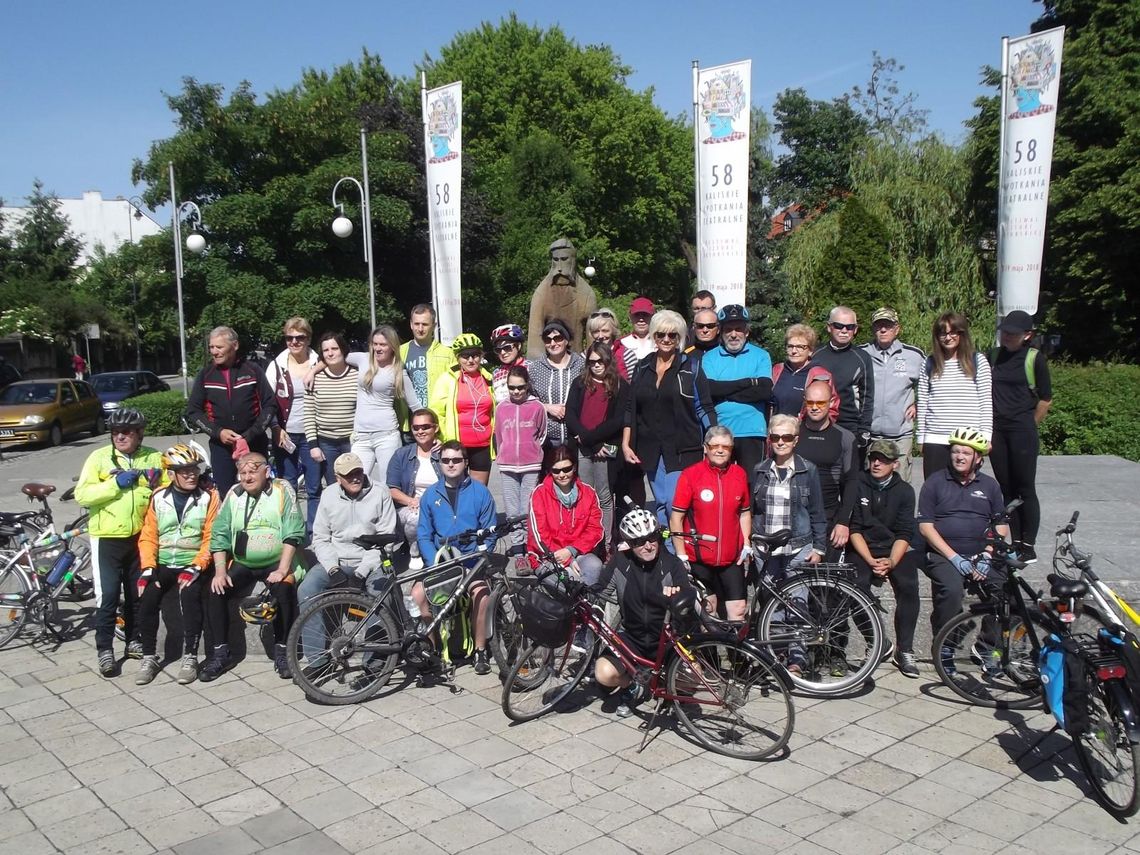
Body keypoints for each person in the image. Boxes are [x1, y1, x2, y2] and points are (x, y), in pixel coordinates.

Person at [75, 407, 167, 677]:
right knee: (108, 596)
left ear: (139, 433)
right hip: (108, 538)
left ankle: (133, 640)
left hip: (140, 537)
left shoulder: (152, 456)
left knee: (137, 594)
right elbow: (83, 495)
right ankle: (105, 650)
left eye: (126, 432)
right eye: (115, 432)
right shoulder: (99, 458)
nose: (120, 436)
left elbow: (166, 487)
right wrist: (115, 485)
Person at [202, 452, 305, 682]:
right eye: (243, 473)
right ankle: (220, 652)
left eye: (252, 472)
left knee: (284, 590)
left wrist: (282, 569)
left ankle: (283, 651)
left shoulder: (282, 489)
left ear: (266, 472)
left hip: (277, 560)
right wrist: (220, 571)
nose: (247, 478)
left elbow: (293, 531)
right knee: (215, 589)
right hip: (243, 561)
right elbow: (219, 534)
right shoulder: (234, 494)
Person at [297, 452, 398, 667]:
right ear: (337, 477)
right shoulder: (329, 495)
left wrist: (361, 572)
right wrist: (333, 569)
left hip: (372, 560)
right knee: (306, 590)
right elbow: (321, 538)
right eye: (348, 474)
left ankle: (375, 661)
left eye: (358, 472)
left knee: (381, 594)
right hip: (337, 559)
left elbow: (385, 541)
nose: (355, 478)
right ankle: (317, 662)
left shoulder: (381, 493)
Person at [592, 508, 695, 716]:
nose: (648, 546)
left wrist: (677, 596)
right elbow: (599, 590)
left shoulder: (672, 564)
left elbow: (688, 594)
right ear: (629, 544)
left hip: (667, 640)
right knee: (604, 673)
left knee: (692, 679)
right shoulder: (621, 562)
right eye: (639, 542)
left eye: (652, 538)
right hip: (633, 637)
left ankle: (665, 685)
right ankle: (634, 686)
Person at [135, 443, 219, 686]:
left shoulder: (208, 497)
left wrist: (198, 565)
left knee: (190, 594)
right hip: (163, 562)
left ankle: (190, 656)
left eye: (194, 469)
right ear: (171, 474)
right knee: (147, 595)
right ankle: (149, 657)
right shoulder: (158, 497)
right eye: (184, 471)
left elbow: (211, 536)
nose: (192, 474)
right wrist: (148, 568)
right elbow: (149, 535)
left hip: (193, 562)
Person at [751, 414, 827, 675]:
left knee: (797, 603)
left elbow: (817, 511)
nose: (780, 442)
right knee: (770, 602)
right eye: (775, 437)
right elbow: (751, 511)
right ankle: (775, 652)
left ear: (796, 440)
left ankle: (797, 655)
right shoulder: (760, 470)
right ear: (769, 439)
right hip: (766, 548)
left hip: (798, 546)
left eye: (786, 437)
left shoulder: (808, 470)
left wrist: (819, 547)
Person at [416, 441, 498, 674]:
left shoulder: (481, 492)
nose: (451, 464)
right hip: (441, 563)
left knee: (481, 595)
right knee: (418, 595)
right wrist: (436, 562)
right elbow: (423, 535)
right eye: (446, 460)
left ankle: (480, 651)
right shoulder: (430, 495)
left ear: (465, 462)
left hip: (471, 563)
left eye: (456, 460)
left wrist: (477, 558)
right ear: (440, 463)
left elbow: (489, 534)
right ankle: (431, 651)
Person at [918, 427, 1009, 636]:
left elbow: (1001, 524)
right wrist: (955, 557)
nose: (959, 457)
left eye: (966, 453)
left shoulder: (990, 485)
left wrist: (987, 553)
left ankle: (988, 645)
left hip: (981, 551)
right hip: (944, 553)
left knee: (1004, 591)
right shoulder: (935, 482)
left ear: (978, 458)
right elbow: (925, 527)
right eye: (955, 451)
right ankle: (945, 644)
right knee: (951, 591)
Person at [623, 310, 705, 530]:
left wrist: (712, 439)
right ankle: (667, 552)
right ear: (653, 336)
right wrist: (626, 442)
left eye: (672, 335)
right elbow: (631, 407)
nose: (666, 340)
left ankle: (682, 552)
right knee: (660, 503)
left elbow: (703, 406)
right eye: (661, 335)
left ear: (680, 338)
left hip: (683, 446)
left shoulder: (691, 367)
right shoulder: (641, 367)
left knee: (674, 503)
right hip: (649, 446)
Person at [847, 439, 921, 678]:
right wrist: (870, 560)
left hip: (894, 548)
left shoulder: (905, 491)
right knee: (855, 586)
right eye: (874, 458)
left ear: (895, 464)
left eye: (884, 460)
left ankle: (905, 649)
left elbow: (905, 532)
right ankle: (877, 640)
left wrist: (891, 561)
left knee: (909, 586)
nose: (877, 463)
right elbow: (854, 527)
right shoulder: (858, 483)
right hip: (863, 547)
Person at [989, 310, 1052, 562]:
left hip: (1022, 428)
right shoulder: (993, 356)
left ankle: (1028, 544)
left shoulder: (1034, 358)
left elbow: (1046, 399)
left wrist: (1030, 424)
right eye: (1005, 331)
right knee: (1006, 488)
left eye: (1013, 333)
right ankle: (1013, 541)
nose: (1007, 336)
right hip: (997, 429)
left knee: (1025, 487)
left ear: (1027, 335)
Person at [670, 426, 751, 622]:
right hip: (699, 557)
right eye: (715, 446)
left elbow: (745, 513)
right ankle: (710, 654)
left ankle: (736, 654)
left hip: (731, 558)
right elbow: (676, 518)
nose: (720, 450)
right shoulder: (691, 475)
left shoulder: (739, 474)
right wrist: (681, 554)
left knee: (739, 610)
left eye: (726, 446)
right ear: (705, 448)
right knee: (709, 609)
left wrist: (747, 544)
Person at [187, 326, 275, 498]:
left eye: (219, 347)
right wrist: (218, 432)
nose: (214, 352)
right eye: (211, 347)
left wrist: (250, 434)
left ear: (234, 346)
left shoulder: (253, 370)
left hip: (254, 442)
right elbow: (193, 411)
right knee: (227, 495)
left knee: (259, 492)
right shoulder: (206, 374)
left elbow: (270, 405)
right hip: (221, 446)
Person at [565, 342, 630, 553]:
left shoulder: (619, 385)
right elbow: (570, 414)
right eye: (592, 362)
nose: (596, 366)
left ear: (608, 360)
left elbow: (618, 420)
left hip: (605, 447)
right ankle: (585, 540)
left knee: (604, 496)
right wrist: (588, 440)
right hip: (584, 447)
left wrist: (594, 440)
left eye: (600, 361)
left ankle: (605, 542)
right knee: (584, 494)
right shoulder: (579, 383)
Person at [695, 304, 773, 478]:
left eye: (739, 329)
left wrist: (725, 391)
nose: (733, 334)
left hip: (752, 430)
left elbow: (764, 392)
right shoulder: (709, 357)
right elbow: (710, 390)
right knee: (720, 483)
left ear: (747, 332)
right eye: (728, 329)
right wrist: (748, 382)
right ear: (721, 332)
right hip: (720, 432)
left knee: (752, 484)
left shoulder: (761, 355)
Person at [917, 312, 992, 478]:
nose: (947, 337)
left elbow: (986, 402)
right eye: (943, 333)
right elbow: (923, 402)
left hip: (967, 439)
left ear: (961, 334)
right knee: (935, 489)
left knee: (964, 490)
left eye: (953, 332)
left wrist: (986, 436)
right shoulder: (929, 363)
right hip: (935, 437)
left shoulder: (977, 361)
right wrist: (920, 438)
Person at [344, 325, 421, 487]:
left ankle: (387, 513)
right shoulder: (363, 358)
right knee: (353, 483)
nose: (377, 348)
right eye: (375, 344)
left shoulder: (398, 371)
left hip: (386, 435)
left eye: (383, 345)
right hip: (361, 435)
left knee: (389, 485)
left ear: (392, 347)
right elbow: (334, 357)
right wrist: (314, 370)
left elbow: (415, 405)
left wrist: (430, 429)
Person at [264, 317, 320, 535]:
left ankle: (314, 531)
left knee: (314, 486)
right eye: (290, 337)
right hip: (285, 434)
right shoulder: (276, 366)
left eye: (300, 337)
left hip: (312, 433)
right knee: (288, 485)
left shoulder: (318, 362)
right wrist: (276, 427)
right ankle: (293, 529)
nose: (294, 342)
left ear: (308, 338)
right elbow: (267, 401)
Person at [796, 379, 858, 562]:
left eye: (821, 402)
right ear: (804, 401)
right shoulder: (792, 434)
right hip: (796, 515)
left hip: (829, 515)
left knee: (827, 581)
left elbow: (852, 481)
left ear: (831, 402)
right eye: (810, 402)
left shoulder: (844, 437)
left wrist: (843, 522)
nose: (815, 407)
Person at [860, 308, 924, 482]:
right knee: (871, 486)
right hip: (871, 435)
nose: (882, 330)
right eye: (878, 325)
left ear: (897, 329)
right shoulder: (862, 353)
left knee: (900, 485)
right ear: (873, 329)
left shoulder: (914, 356)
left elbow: (930, 385)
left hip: (900, 435)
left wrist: (918, 403)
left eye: (887, 325)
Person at [527, 446, 605, 586]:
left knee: (595, 566)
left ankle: (586, 604)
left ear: (574, 467)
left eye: (567, 469)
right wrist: (567, 560)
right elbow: (539, 536)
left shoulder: (589, 493)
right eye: (556, 471)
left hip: (578, 552)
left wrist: (571, 551)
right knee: (569, 578)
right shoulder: (539, 494)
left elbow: (595, 529)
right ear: (550, 471)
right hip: (547, 556)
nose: (562, 474)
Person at [492, 365, 546, 556]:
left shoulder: (537, 407)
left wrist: (531, 449)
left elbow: (541, 433)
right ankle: (517, 548)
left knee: (527, 508)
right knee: (512, 510)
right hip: (507, 465)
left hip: (530, 464)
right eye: (512, 387)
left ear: (527, 386)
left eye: (520, 387)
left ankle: (530, 546)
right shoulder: (501, 408)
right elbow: (499, 435)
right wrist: (504, 453)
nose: (516, 391)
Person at [430, 333, 495, 485]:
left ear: (481, 356)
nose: (471, 360)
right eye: (465, 356)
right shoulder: (447, 379)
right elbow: (436, 411)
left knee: (478, 493)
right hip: (456, 445)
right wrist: (440, 437)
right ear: (458, 357)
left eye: (475, 355)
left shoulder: (489, 378)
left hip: (482, 445)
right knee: (456, 491)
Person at [811, 306, 875, 452]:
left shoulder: (862, 358)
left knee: (849, 473)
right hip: (818, 424)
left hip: (850, 426)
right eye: (838, 326)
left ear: (856, 329)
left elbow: (868, 397)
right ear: (829, 327)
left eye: (850, 327)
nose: (844, 330)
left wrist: (864, 429)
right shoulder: (815, 355)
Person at [387, 408, 443, 571]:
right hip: (411, 507)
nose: (420, 431)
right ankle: (415, 551)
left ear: (436, 428)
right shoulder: (402, 455)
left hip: (439, 505)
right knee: (416, 516)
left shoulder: (444, 452)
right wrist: (412, 500)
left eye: (425, 427)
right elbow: (392, 489)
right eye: (416, 427)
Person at [527, 319, 585, 468]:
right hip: (547, 436)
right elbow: (527, 399)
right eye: (548, 340)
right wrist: (546, 407)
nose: (553, 343)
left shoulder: (581, 364)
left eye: (557, 338)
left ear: (566, 340)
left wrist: (572, 410)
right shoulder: (535, 368)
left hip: (575, 435)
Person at [304, 332, 358, 486]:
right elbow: (309, 414)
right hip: (326, 442)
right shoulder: (313, 378)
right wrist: (313, 446)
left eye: (334, 348)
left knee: (355, 483)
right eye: (326, 350)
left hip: (352, 440)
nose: (330, 353)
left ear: (343, 349)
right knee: (334, 485)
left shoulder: (357, 375)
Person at [770, 323, 838, 419]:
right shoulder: (777, 370)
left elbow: (832, 408)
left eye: (800, 347)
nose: (794, 351)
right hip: (776, 430)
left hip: (805, 430)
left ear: (810, 350)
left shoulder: (821, 375)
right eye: (790, 346)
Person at [401, 303, 453, 413]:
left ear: (434, 326)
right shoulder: (399, 352)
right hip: (408, 419)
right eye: (416, 324)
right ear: (411, 324)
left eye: (425, 324)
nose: (420, 329)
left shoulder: (448, 354)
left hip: (436, 418)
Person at [587, 309, 632, 380]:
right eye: (596, 332)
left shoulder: (627, 354)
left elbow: (634, 385)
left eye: (605, 331)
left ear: (613, 330)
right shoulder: (585, 356)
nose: (600, 336)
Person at [489, 323, 526, 403]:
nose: (502, 352)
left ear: (518, 346)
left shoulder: (532, 368)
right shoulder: (496, 373)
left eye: (507, 347)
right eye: (498, 350)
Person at [621, 296, 657, 364]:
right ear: (630, 317)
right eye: (637, 315)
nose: (641, 319)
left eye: (645, 315)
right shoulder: (622, 343)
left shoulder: (661, 342)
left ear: (653, 317)